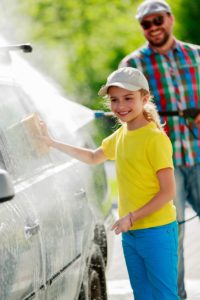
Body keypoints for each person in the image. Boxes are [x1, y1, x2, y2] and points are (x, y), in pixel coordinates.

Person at [39, 67, 179, 300]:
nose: (120, 106)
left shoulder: (154, 139)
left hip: (157, 232)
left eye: (128, 98)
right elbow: (94, 157)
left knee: (164, 295)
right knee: (143, 295)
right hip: (131, 234)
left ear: (145, 98)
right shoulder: (123, 133)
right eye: (114, 100)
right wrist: (52, 142)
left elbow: (168, 192)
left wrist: (131, 217)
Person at [119, 1, 200, 299]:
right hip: (164, 164)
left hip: (199, 153)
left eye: (158, 20)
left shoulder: (197, 55)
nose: (153, 27)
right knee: (171, 234)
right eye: (146, 23)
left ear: (170, 19)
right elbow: (125, 113)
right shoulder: (132, 66)